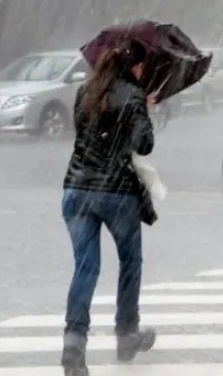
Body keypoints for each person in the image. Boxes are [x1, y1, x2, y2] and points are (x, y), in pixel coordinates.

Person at [61, 39, 157, 376]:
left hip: (76, 190)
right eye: (143, 67)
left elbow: (85, 134)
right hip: (116, 193)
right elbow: (143, 144)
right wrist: (144, 108)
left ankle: (74, 342)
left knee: (85, 268)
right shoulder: (133, 96)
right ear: (135, 66)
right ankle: (126, 333)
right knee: (130, 261)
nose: (144, 72)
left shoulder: (84, 92)